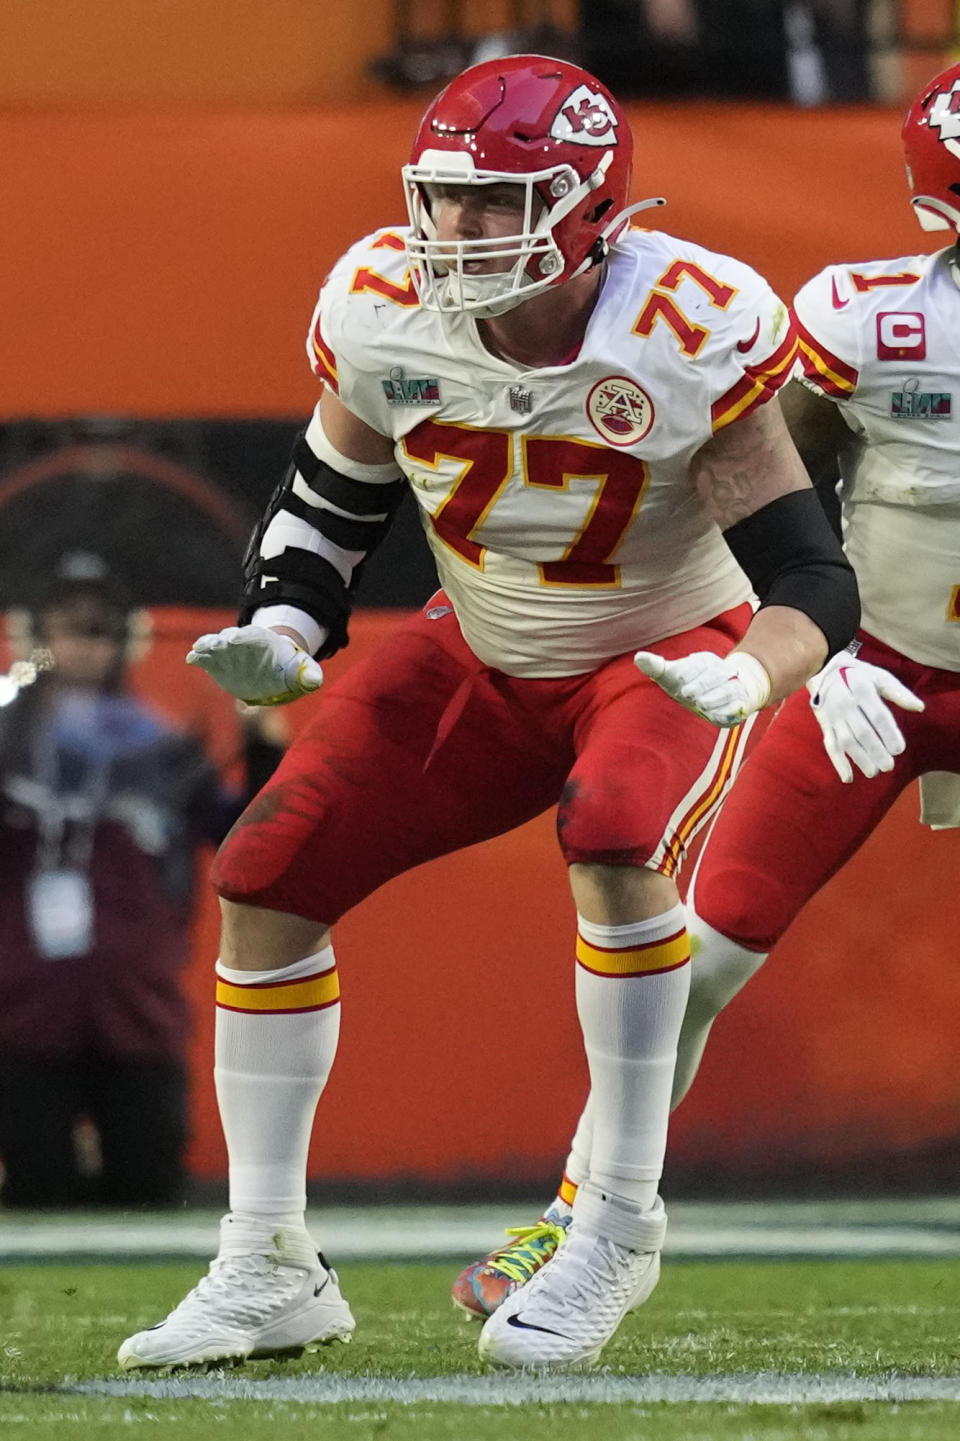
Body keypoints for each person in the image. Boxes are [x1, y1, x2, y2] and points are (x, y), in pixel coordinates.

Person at [117, 53, 857, 1372]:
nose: (454, 234)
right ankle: (266, 1260)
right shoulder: (377, 302)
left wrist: (756, 673)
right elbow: (332, 500)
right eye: (443, 200)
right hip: (482, 646)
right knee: (266, 871)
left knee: (621, 834)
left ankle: (616, 1227)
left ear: (589, 210)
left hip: (662, 644)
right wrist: (287, 624)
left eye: (493, 204)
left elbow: (808, 571)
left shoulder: (684, 325)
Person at [452, 57, 960, 1323]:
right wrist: (826, 652)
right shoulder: (872, 323)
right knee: (699, 961)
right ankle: (580, 1215)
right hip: (880, 676)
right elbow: (773, 509)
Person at [0, 555, 281, 1207]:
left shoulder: (162, 752)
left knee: (149, 1185)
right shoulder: (8, 741)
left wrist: (262, 737)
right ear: (36, 634)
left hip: (137, 1008)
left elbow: (252, 837)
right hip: (21, 1008)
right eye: (68, 628)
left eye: (99, 629)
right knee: (38, 1188)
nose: (82, 645)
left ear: (125, 638)